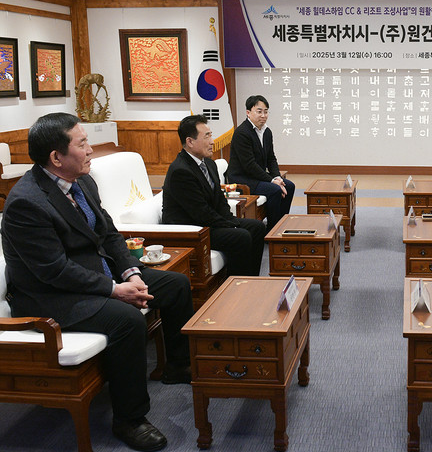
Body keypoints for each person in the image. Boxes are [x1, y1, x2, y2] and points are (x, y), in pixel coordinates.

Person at [1, 112, 193, 452]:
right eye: (82, 144)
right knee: (127, 320)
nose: (90, 150)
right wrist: (115, 290)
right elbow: (54, 271)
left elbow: (109, 233)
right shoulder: (26, 203)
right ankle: (130, 419)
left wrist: (132, 273)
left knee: (174, 285)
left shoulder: (83, 182)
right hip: (50, 296)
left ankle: (177, 367)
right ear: (56, 157)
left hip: (98, 273)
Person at [162, 114, 265, 277]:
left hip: (208, 223)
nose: (212, 141)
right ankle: (236, 286)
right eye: (207, 136)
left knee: (257, 227)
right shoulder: (180, 171)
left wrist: (231, 220)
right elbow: (200, 212)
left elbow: (219, 200)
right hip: (192, 229)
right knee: (241, 236)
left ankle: (252, 280)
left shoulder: (209, 163)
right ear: (190, 141)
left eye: (211, 135)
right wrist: (231, 225)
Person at [226, 95, 295, 231]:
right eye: (259, 111)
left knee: (289, 186)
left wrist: (277, 177)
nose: (263, 115)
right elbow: (249, 165)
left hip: (257, 177)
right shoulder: (242, 133)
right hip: (243, 179)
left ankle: (280, 226)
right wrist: (272, 181)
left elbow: (271, 158)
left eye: (266, 111)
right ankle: (272, 231)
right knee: (275, 190)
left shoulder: (266, 132)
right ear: (248, 112)